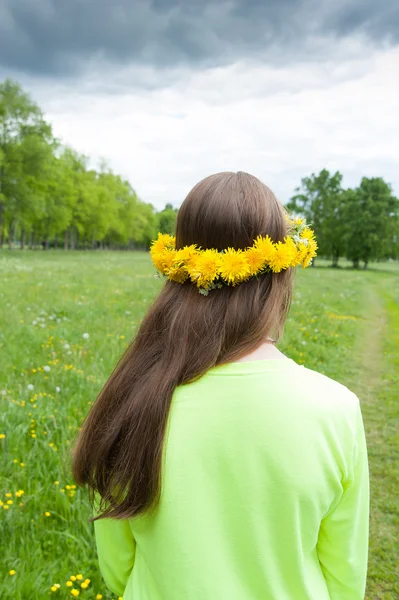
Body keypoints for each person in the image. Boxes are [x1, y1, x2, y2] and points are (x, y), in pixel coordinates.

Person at [72, 171, 369, 600]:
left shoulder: (133, 398)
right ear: (280, 279)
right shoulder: (336, 409)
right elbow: (345, 576)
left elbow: (118, 569)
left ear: (177, 272)